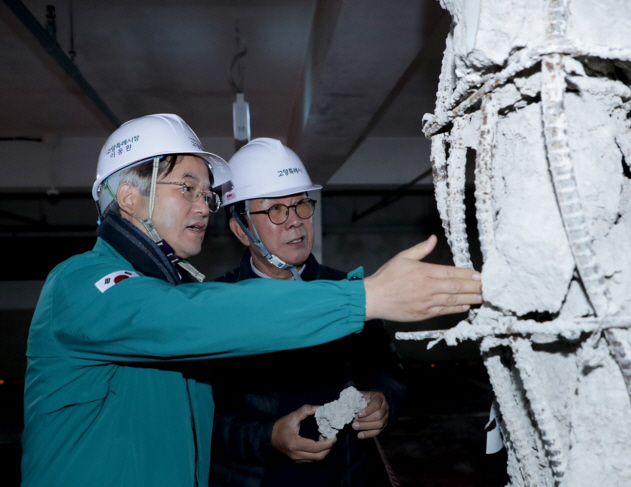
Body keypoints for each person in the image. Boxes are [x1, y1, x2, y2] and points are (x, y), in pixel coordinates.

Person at [20, 114, 482, 487]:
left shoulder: (173, 292)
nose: (204, 205)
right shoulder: (81, 284)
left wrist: (382, 394)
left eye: (207, 194)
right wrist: (366, 296)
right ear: (129, 197)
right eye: (187, 188)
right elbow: (192, 318)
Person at [209, 138, 405, 487]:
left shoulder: (350, 292)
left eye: (300, 204)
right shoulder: (214, 307)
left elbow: (386, 369)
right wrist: (268, 436)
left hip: (346, 477)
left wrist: (383, 399)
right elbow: (202, 418)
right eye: (275, 210)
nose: (296, 222)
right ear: (240, 230)